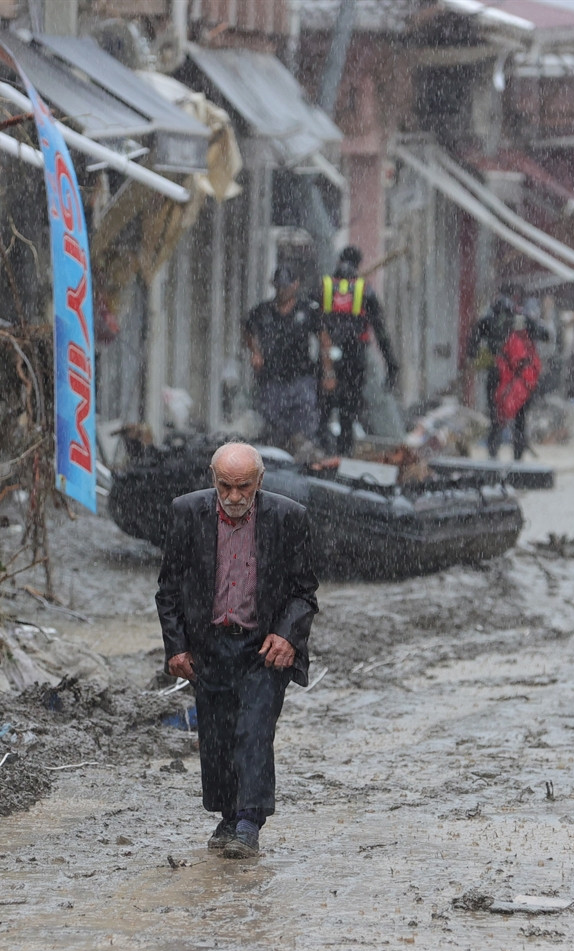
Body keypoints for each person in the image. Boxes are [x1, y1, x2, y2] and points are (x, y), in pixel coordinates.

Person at [155, 442, 319, 859]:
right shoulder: (187, 513)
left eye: (243, 486)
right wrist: (175, 646)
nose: (233, 496)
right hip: (209, 644)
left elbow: (304, 593)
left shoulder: (287, 519)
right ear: (213, 480)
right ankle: (228, 815)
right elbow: (169, 589)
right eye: (225, 486)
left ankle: (248, 822)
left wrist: (286, 635)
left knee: (254, 729)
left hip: (262, 647)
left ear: (259, 482)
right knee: (217, 734)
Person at [243, 265, 334, 457]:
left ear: (295, 285)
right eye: (279, 287)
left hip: (301, 378)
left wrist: (328, 372)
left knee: (304, 428)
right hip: (272, 378)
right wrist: (255, 353)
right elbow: (248, 330)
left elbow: (324, 340)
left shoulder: (307, 310)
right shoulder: (263, 312)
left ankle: (302, 458)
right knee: (273, 427)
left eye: (286, 287)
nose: (282, 291)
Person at [318, 246, 400, 453]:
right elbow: (381, 332)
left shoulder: (325, 286)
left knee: (323, 409)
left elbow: (313, 325)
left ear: (339, 261)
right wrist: (392, 365)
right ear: (358, 264)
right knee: (348, 411)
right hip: (355, 357)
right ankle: (343, 453)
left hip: (327, 357)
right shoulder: (365, 290)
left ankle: (322, 451)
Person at [472, 296, 541, 461]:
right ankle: (516, 457)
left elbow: (471, 349)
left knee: (496, 418)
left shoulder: (487, 323)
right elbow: (544, 335)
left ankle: (493, 455)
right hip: (519, 380)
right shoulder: (522, 322)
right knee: (519, 420)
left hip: (499, 376)